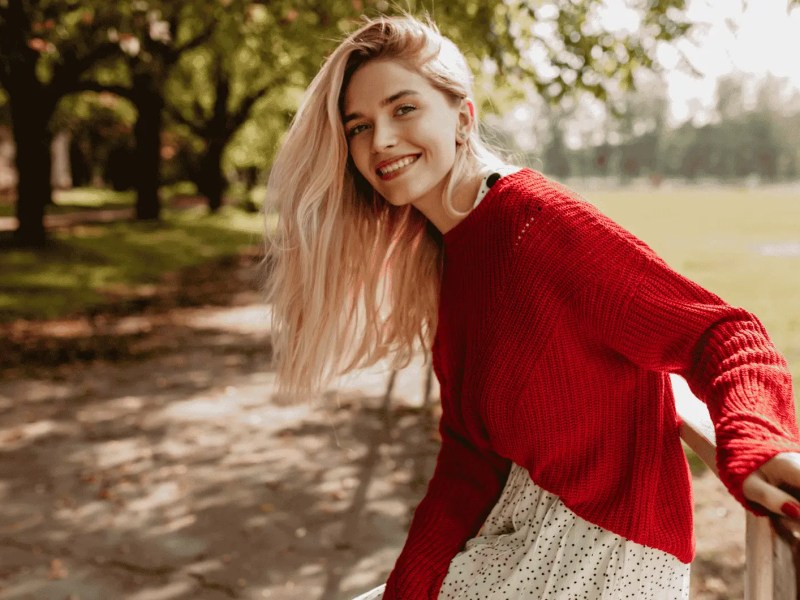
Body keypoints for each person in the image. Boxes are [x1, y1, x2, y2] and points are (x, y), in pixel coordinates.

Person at [265, 14, 800, 600]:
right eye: (360, 126)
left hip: (605, 555)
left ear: (463, 117)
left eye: (404, 108)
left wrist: (757, 440)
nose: (381, 141)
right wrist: (410, 584)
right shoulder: (454, 249)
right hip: (520, 536)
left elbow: (723, 334)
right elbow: (470, 451)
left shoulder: (535, 224)